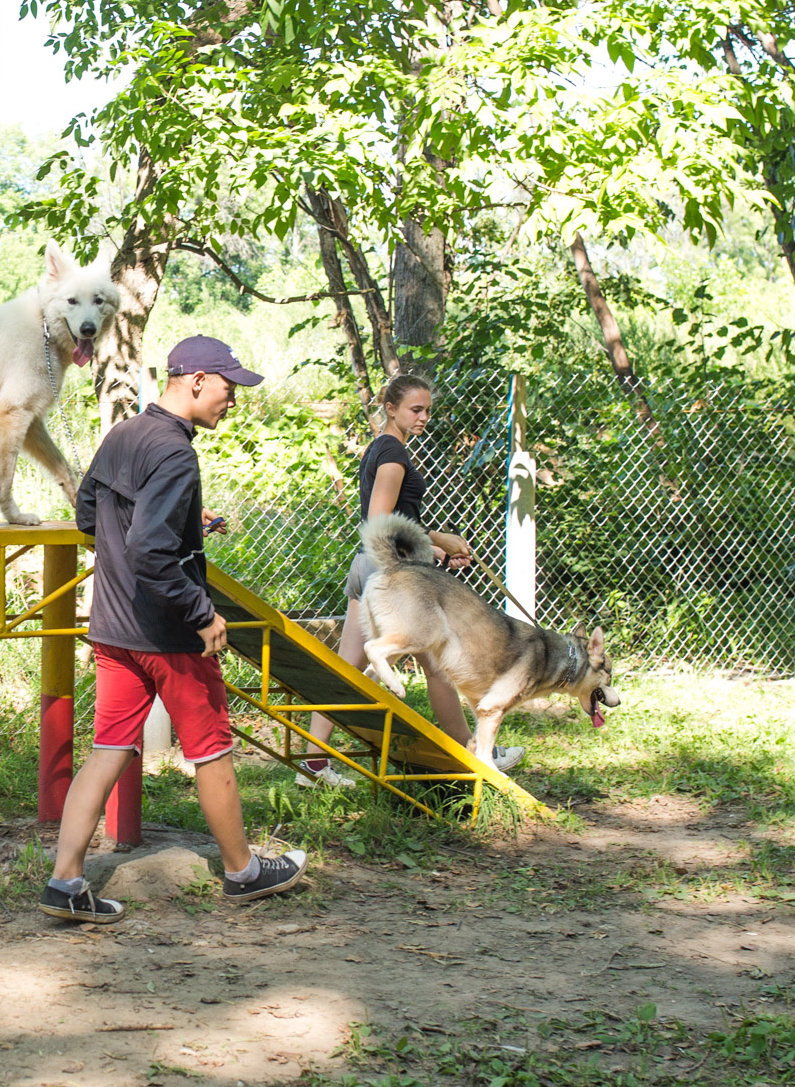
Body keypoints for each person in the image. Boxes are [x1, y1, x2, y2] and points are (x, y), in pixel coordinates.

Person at [41, 335, 308, 923]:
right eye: (227, 386)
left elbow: (92, 514)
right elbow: (152, 550)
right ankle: (243, 873)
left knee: (108, 748)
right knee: (212, 750)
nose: (232, 399)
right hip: (167, 634)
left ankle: (65, 882)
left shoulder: (125, 434)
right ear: (195, 381)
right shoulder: (174, 452)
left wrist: (189, 517)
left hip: (113, 626)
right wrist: (200, 611)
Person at [296, 372, 525, 785]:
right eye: (415, 410)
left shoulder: (381, 448)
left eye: (427, 411)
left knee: (347, 668)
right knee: (438, 665)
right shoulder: (393, 453)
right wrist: (435, 544)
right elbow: (380, 520)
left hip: (369, 566)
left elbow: (393, 520)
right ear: (391, 408)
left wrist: (435, 544)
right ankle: (474, 753)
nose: (423, 417)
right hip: (391, 574)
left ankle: (312, 766)